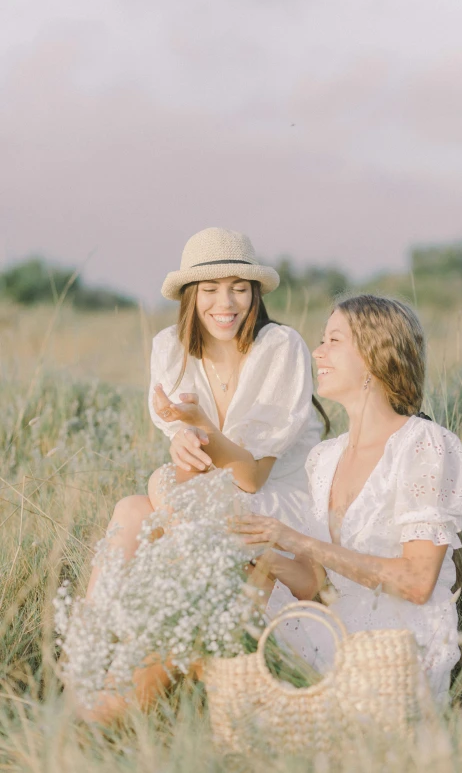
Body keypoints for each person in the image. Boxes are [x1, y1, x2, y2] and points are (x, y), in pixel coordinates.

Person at [81, 227, 326, 722]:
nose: (225, 302)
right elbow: (191, 461)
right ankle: (89, 656)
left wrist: (196, 428)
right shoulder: (170, 347)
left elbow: (252, 478)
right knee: (132, 508)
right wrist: (182, 441)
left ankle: (115, 692)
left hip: (276, 495)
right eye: (210, 288)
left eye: (239, 287)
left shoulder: (280, 347)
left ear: (255, 292)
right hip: (209, 493)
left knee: (158, 496)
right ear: (191, 296)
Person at [234, 294, 462, 701]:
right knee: (222, 617)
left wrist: (298, 540)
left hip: (397, 648)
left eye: (334, 340)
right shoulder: (324, 458)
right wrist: (261, 555)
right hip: (332, 626)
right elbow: (317, 587)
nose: (317, 351)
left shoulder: (424, 445)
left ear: (374, 354)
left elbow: (417, 583)